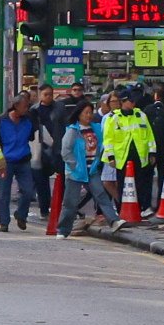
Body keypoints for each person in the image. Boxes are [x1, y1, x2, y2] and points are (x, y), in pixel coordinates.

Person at [99, 87, 158, 224]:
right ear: (123, 102)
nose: (133, 103)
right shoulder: (113, 118)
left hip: (139, 156)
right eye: (131, 100)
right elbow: (108, 139)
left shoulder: (140, 115)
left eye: (134, 100)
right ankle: (123, 210)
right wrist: (111, 157)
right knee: (122, 185)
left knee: (140, 184)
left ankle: (139, 209)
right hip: (122, 157)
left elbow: (149, 135)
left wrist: (152, 152)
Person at [57, 102, 106, 239]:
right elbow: (66, 151)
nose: (89, 115)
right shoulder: (73, 130)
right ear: (79, 114)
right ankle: (63, 230)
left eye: (91, 112)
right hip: (76, 172)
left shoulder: (96, 128)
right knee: (70, 202)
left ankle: (114, 220)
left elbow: (101, 145)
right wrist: (75, 166)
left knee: (101, 195)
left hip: (91, 170)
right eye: (86, 112)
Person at [0, 93, 40, 232]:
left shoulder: (29, 121)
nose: (27, 109)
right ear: (16, 106)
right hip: (6, 161)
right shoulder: (0, 122)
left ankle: (21, 215)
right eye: (25, 106)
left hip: (23, 160)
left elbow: (32, 137)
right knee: (4, 193)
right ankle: (4, 222)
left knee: (27, 191)